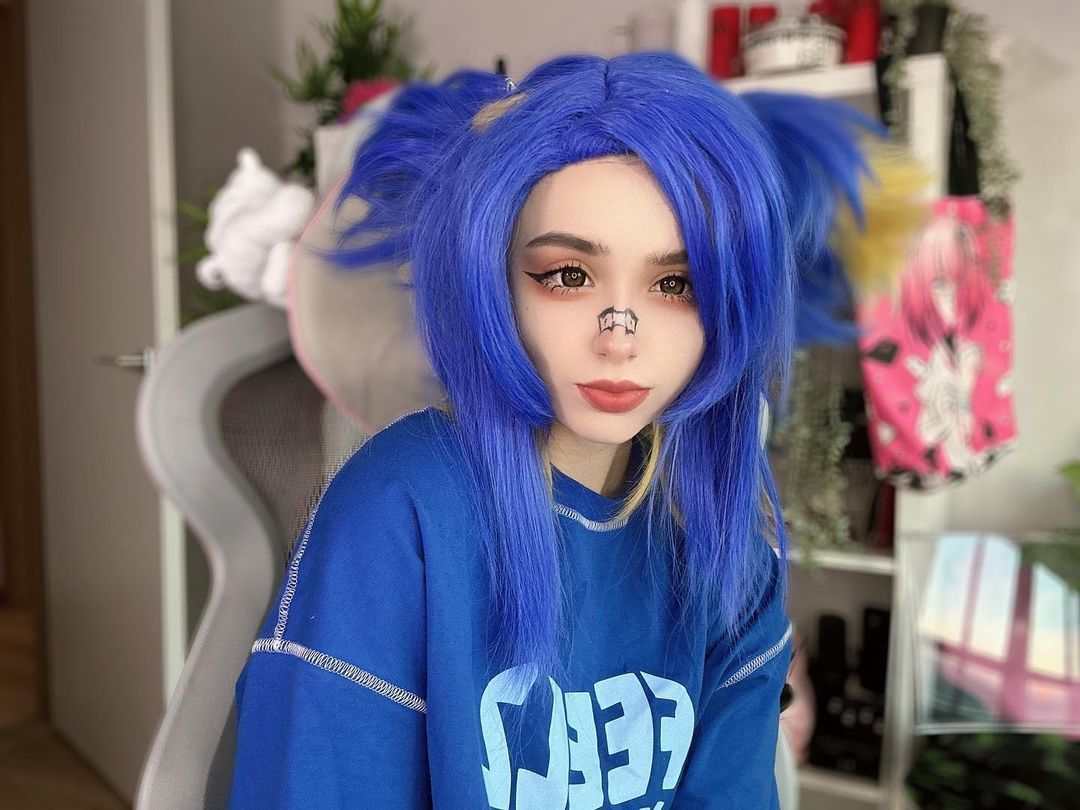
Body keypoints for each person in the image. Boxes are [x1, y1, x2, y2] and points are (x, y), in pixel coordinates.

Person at [229, 52, 876, 808]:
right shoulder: (399, 512)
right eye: (569, 275)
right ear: (493, 279)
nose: (619, 338)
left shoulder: (726, 546)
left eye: (676, 284)